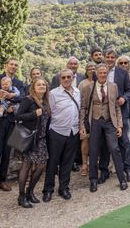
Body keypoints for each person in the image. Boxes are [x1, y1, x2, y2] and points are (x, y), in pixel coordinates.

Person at [80, 64, 127, 193]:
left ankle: (122, 179)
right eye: (100, 73)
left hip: (109, 121)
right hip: (94, 121)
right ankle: (93, 180)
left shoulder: (113, 86)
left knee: (114, 148)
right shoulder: (88, 88)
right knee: (94, 151)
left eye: (104, 73)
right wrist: (82, 126)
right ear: (96, 73)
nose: (102, 75)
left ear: (107, 74)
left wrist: (119, 125)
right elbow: (83, 108)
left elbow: (117, 107)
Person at [0, 58, 25, 196]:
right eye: (11, 64)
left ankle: (2, 181)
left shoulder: (19, 83)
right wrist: (2, 108)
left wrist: (11, 99)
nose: (14, 66)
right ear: (6, 65)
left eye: (16, 65)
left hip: (11, 121)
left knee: (6, 151)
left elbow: (22, 97)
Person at [43, 68, 81, 202]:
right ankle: (48, 190)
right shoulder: (53, 94)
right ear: (60, 79)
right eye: (63, 77)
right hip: (57, 132)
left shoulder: (77, 92)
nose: (66, 79)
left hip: (73, 131)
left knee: (68, 161)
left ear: (72, 78)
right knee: (52, 162)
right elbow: (49, 112)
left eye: (68, 77)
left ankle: (64, 188)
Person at [15, 78, 50, 208]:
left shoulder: (46, 102)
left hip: (41, 138)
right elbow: (18, 116)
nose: (42, 86)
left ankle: (30, 192)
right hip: (30, 137)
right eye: (39, 85)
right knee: (26, 166)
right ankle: (21, 196)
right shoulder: (28, 100)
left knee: (41, 165)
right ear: (33, 88)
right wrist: (34, 114)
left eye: (44, 85)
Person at [104, 51, 130, 182]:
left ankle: (128, 169)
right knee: (104, 144)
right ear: (105, 58)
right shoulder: (99, 72)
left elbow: (129, 90)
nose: (110, 59)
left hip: (121, 112)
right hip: (103, 114)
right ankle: (104, 171)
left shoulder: (123, 73)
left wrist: (124, 98)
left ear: (115, 59)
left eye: (112, 57)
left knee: (124, 142)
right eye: (108, 57)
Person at [77, 62, 96, 176]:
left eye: (94, 68)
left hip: (98, 115)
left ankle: (94, 163)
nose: (92, 70)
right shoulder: (82, 84)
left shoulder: (100, 81)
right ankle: (84, 163)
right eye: (90, 68)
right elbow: (80, 101)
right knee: (85, 139)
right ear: (86, 70)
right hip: (86, 114)